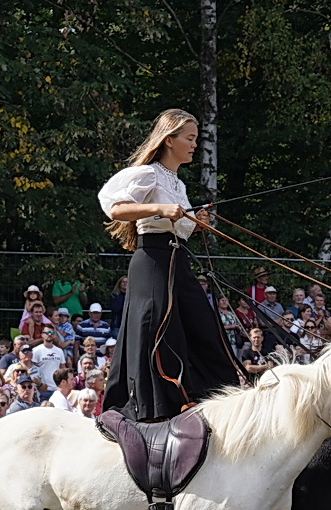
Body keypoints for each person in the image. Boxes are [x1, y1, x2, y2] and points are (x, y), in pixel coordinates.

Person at [96, 108, 244, 420]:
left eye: (195, 138)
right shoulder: (148, 173)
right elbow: (113, 205)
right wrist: (161, 208)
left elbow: (178, 223)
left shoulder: (178, 184)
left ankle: (212, 399)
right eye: (189, 138)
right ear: (169, 140)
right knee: (159, 328)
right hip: (153, 260)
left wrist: (197, 223)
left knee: (202, 324)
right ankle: (156, 406)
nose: (194, 144)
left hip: (178, 261)